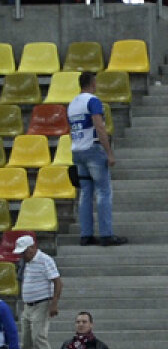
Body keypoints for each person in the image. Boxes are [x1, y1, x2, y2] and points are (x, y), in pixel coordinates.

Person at [69, 72, 126, 248]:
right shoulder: (92, 101)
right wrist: (109, 152)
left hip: (78, 150)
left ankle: (86, 234)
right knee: (103, 191)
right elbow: (99, 126)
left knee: (86, 192)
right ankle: (106, 234)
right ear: (92, 83)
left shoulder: (72, 104)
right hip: (93, 149)